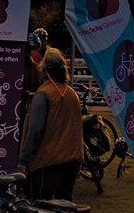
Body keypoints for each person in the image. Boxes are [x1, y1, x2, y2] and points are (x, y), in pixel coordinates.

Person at [19, 56, 85, 200]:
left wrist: (23, 160)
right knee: (65, 204)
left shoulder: (43, 94)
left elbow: (35, 129)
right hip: (72, 158)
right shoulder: (72, 94)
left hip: (48, 160)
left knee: (38, 203)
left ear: (45, 72)